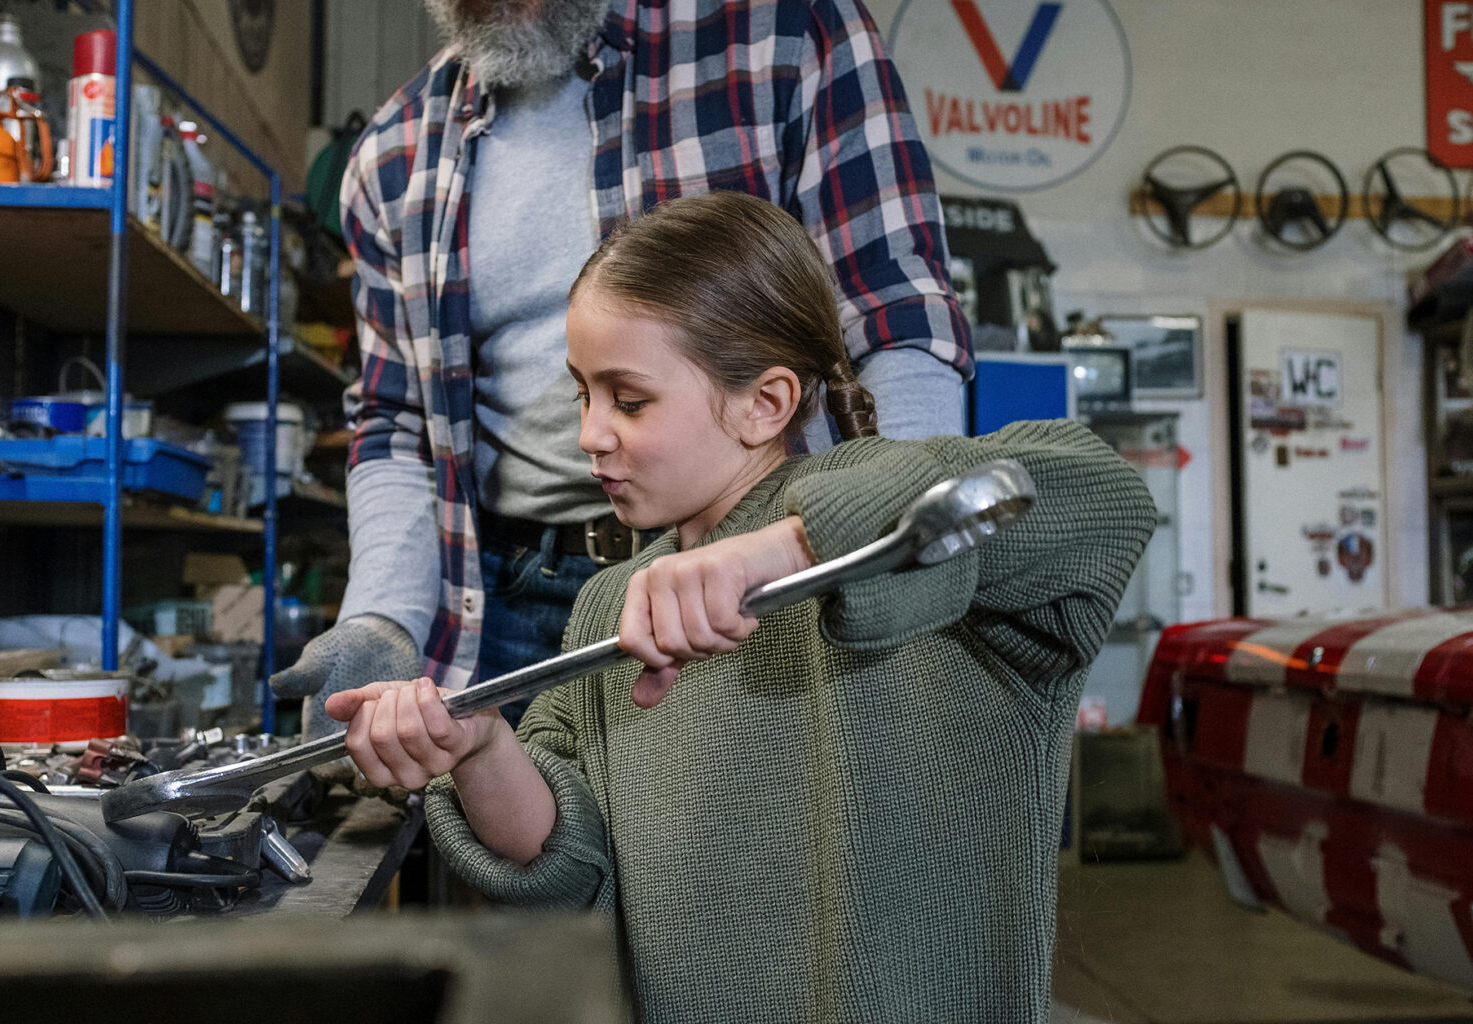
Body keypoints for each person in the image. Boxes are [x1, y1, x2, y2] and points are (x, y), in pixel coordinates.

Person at [328, 191, 1156, 1022]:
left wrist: (784, 552)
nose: (590, 434)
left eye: (630, 399)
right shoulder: (613, 607)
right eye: (583, 393)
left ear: (766, 403)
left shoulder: (920, 551)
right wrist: (476, 749)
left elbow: (1108, 498)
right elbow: (570, 869)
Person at [271, 0, 974, 738]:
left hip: (748, 578)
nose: (590, 437)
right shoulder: (393, 156)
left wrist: (880, 540)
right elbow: (397, 421)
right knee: (532, 840)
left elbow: (898, 316)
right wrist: (382, 616)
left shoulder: (784, 36)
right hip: (506, 597)